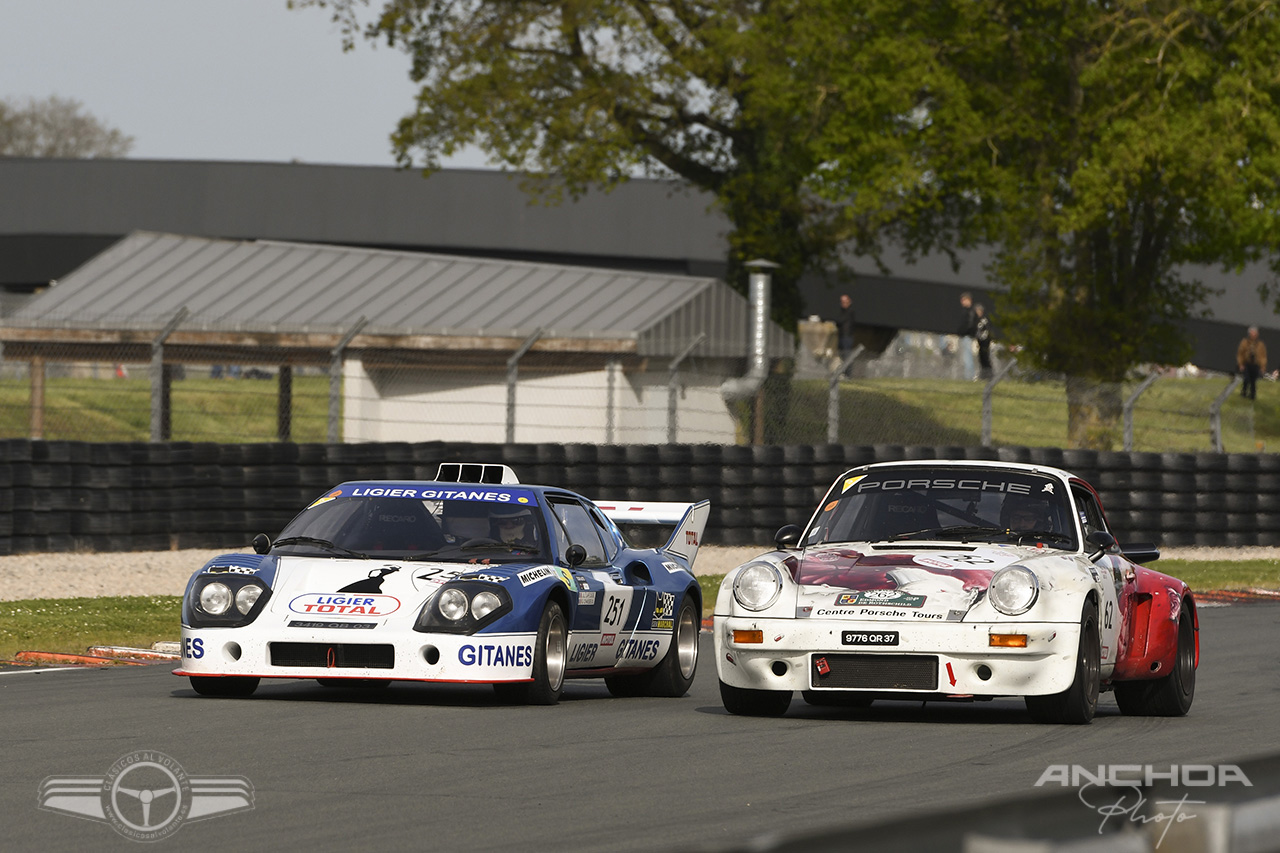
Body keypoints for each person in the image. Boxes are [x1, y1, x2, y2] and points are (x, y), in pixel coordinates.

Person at [1237, 326, 1267, 400]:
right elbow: (1240, 354)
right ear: (1249, 334)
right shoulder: (1244, 342)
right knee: (1246, 379)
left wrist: (1263, 366)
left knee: (1253, 381)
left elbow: (1263, 356)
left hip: (1256, 364)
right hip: (1247, 363)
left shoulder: (1260, 344)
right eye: (1252, 333)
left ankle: (1252, 395)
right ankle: (1244, 392)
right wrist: (1241, 364)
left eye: (1255, 334)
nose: (1253, 335)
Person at [956, 292, 978, 380]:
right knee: (966, 356)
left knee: (967, 357)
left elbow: (970, 325)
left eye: (963, 300)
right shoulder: (966, 311)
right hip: (965, 336)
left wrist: (964, 332)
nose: (962, 302)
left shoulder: (970, 312)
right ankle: (968, 375)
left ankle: (970, 376)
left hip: (967, 336)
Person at [836, 293, 856, 366]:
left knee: (847, 355)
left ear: (849, 301)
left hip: (847, 337)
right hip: (841, 336)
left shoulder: (850, 311)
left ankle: (848, 374)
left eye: (844, 301)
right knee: (841, 355)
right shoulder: (842, 312)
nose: (843, 303)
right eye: (842, 302)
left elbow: (840, 321)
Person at [974, 303, 993, 380]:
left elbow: (985, 331)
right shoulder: (976, 320)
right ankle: (983, 374)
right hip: (980, 341)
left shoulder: (984, 320)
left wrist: (984, 338)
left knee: (985, 357)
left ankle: (989, 374)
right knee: (981, 357)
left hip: (985, 341)